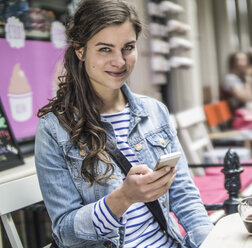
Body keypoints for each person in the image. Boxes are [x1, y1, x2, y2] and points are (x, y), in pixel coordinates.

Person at [34, 0, 213, 247]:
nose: (119, 62)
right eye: (105, 49)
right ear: (80, 50)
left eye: (128, 47)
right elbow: (66, 233)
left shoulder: (154, 111)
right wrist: (124, 197)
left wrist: (208, 241)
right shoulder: (54, 130)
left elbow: (184, 195)